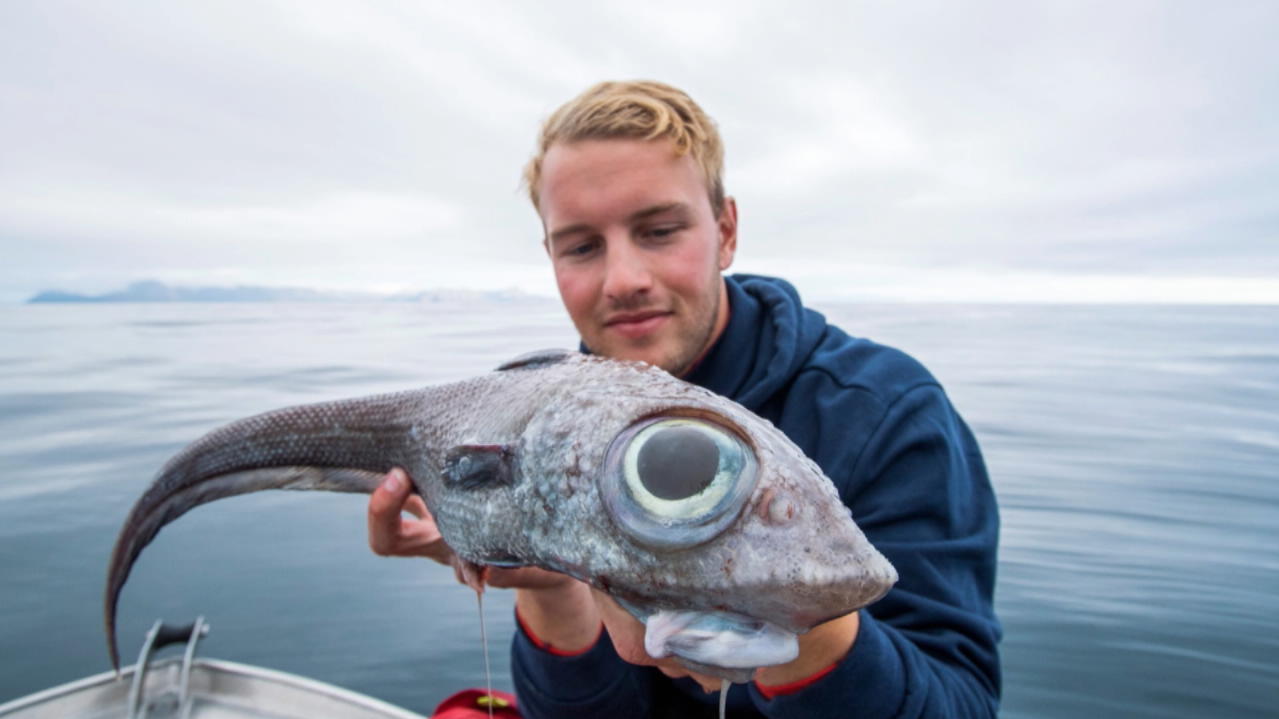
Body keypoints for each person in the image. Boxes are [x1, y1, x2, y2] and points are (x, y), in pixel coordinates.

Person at [368, 81, 1001, 717]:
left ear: (725, 231)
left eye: (661, 230)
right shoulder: (543, 439)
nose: (624, 281)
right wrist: (553, 586)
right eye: (583, 246)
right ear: (550, 256)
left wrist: (793, 614)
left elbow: (962, 701)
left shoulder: (885, 410)